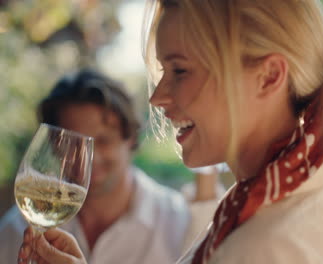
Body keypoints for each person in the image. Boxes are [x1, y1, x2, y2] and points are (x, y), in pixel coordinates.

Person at [16, 1, 323, 264]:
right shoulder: (275, 194)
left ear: (269, 77)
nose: (157, 98)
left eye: (179, 69)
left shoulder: (270, 241)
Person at [2, 69, 218, 264]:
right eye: (74, 146)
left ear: (131, 139)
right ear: (53, 148)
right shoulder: (17, 228)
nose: (91, 159)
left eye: (103, 141)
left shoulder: (179, 225)